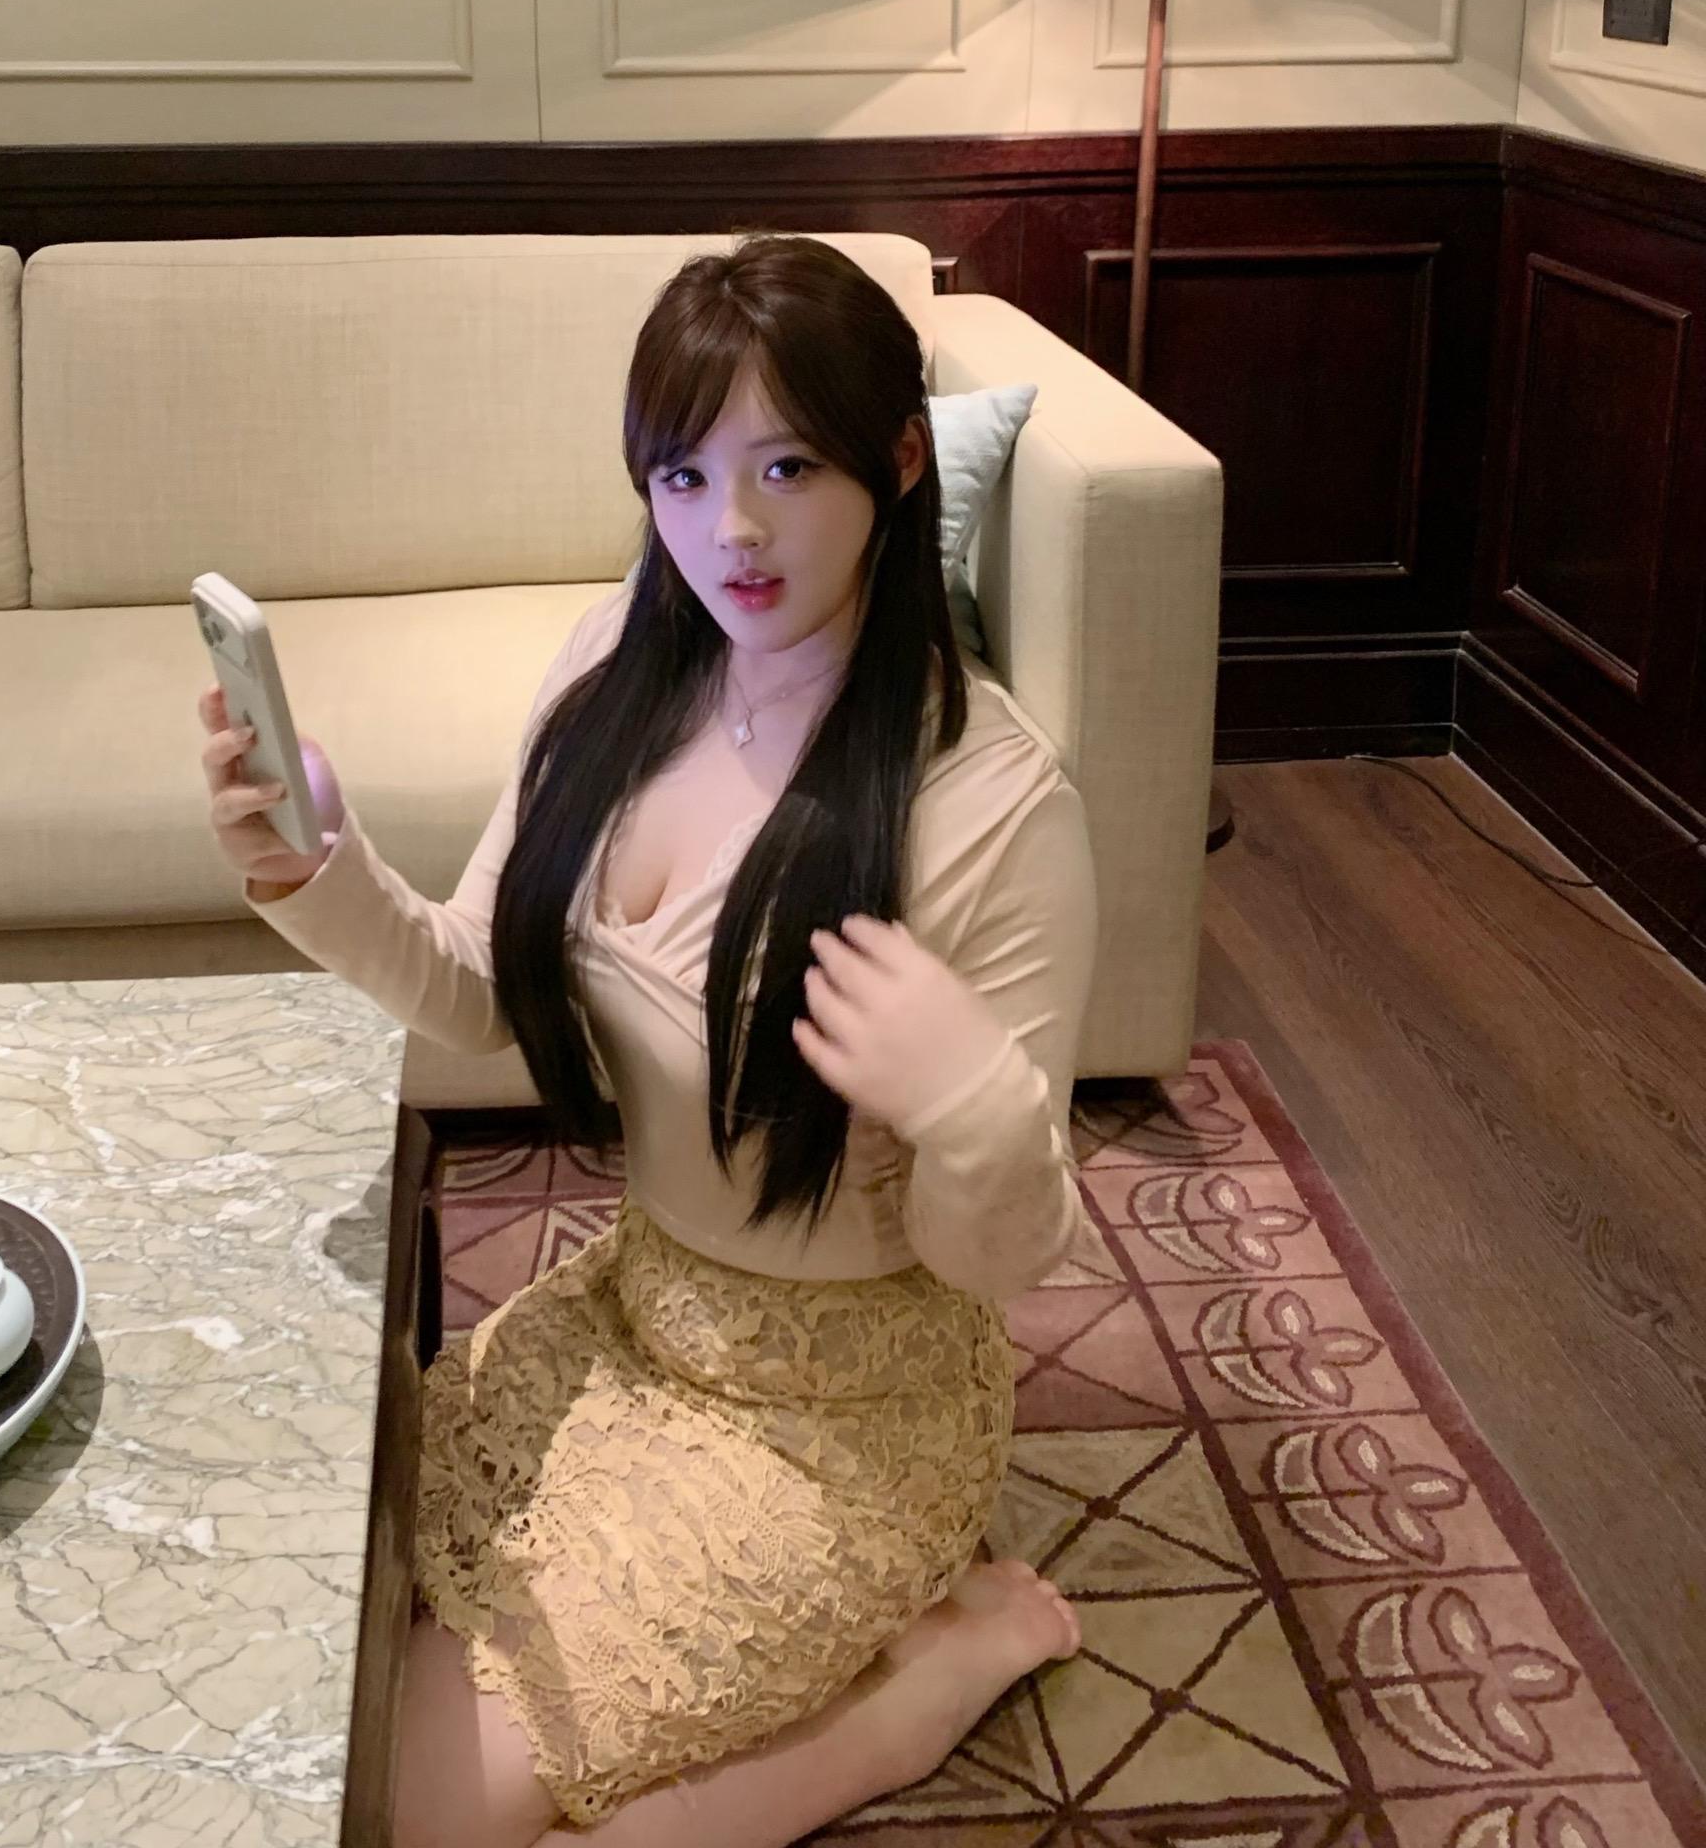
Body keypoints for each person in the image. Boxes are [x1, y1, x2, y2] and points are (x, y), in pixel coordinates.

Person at [197, 235, 1097, 1848]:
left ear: (899, 462)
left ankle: (908, 1705)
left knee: (409, 1820)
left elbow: (996, 1263)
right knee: (305, 1626)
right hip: (633, 1318)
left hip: (846, 1424)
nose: (728, 530)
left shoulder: (993, 808)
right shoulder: (621, 663)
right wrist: (313, 866)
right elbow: (481, 986)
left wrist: (975, 1107)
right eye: (685, 475)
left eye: (786, 468)